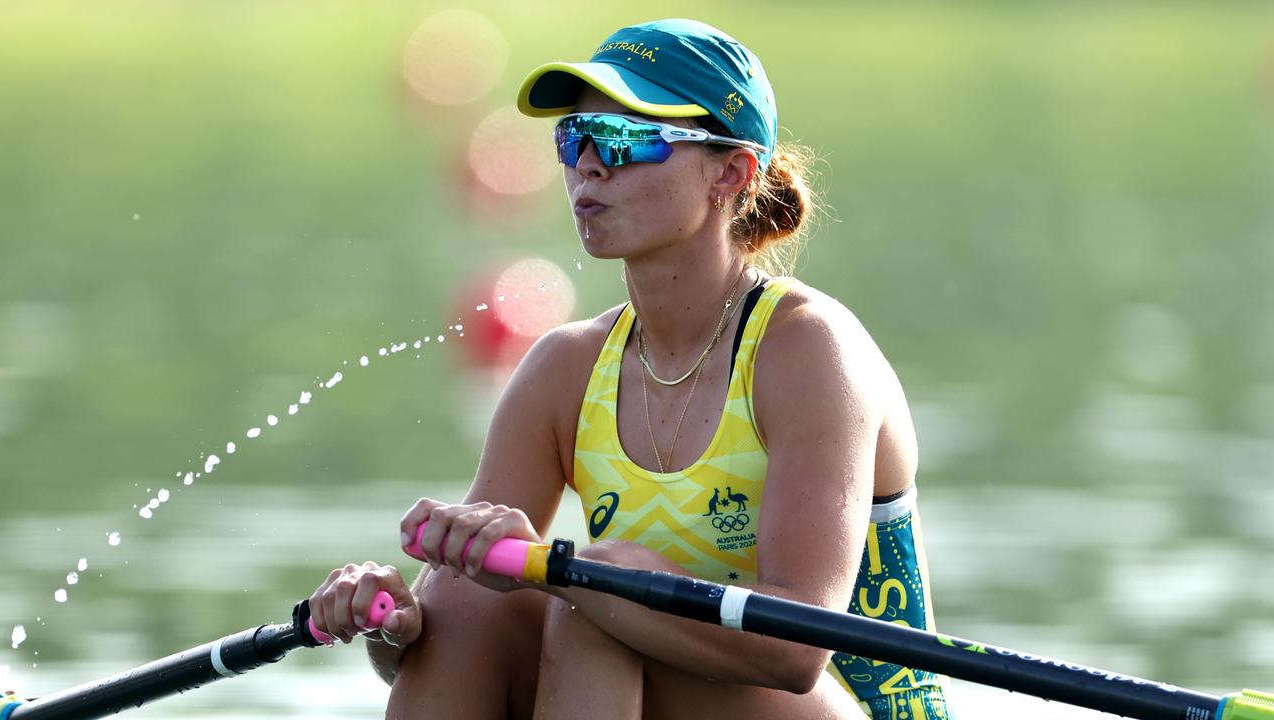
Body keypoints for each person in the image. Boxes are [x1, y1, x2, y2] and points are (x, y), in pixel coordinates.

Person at [308, 18, 953, 720]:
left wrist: (577, 576)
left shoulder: (809, 350)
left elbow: (796, 655)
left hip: (851, 705)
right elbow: (436, 645)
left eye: (623, 139)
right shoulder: (563, 369)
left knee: (596, 601)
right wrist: (393, 624)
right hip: (653, 675)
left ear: (729, 172)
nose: (588, 165)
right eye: (572, 140)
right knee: (466, 595)